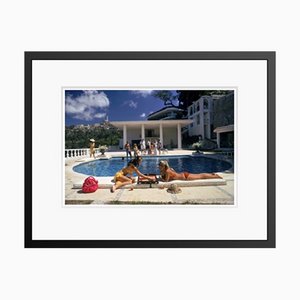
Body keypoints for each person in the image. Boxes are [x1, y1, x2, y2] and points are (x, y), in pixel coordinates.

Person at [158, 160, 222, 182]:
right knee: (200, 175)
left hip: (185, 177)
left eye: (160, 166)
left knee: (201, 176)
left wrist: (160, 178)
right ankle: (211, 174)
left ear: (163, 166)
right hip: (184, 175)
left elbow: (166, 181)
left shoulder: (167, 171)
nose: (159, 167)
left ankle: (216, 176)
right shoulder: (169, 169)